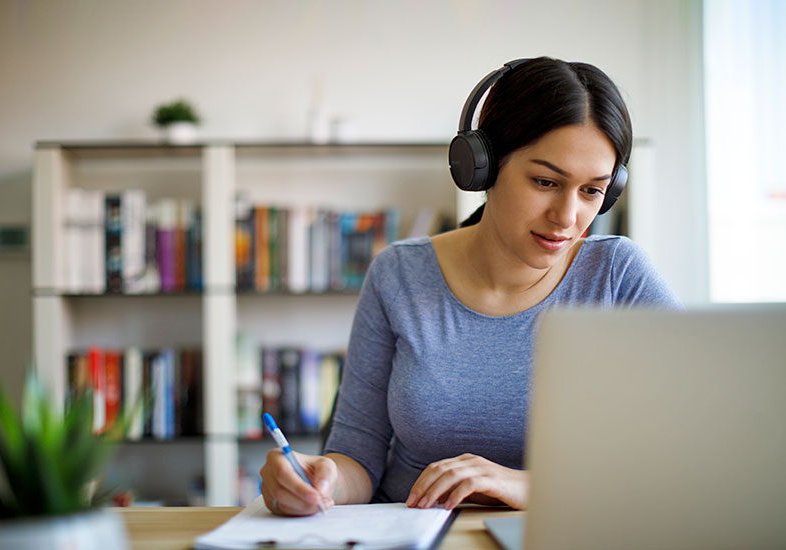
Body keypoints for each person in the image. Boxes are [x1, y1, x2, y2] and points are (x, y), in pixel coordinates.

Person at [259, 56, 682, 516]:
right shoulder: (398, 275)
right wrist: (318, 479)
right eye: (545, 181)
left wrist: (528, 486)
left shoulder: (617, 277)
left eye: (591, 191)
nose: (567, 217)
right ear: (482, 166)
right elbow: (356, 458)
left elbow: (692, 446)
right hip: (413, 536)